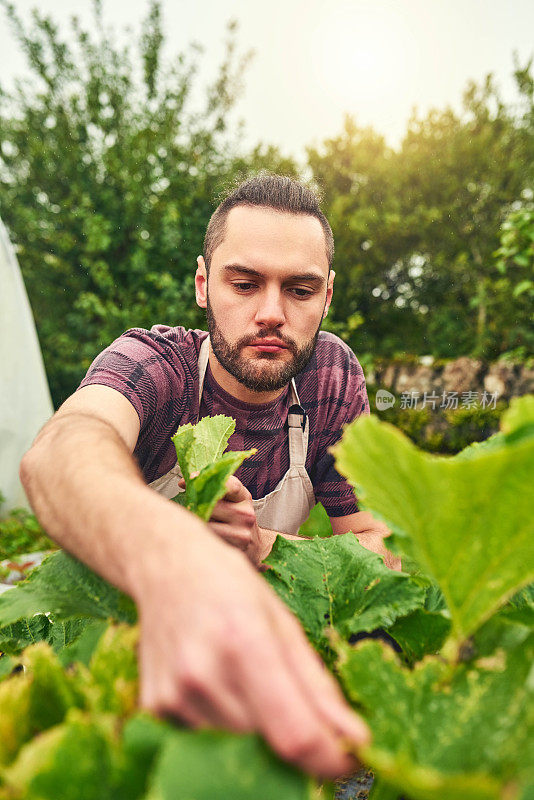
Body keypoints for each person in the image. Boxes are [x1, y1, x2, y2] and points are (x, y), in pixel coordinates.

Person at [20, 174, 399, 780]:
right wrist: (177, 552)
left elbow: (383, 554)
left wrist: (263, 546)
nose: (271, 313)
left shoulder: (329, 377)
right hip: (134, 649)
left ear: (327, 295)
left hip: (262, 645)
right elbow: (64, 449)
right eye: (244, 284)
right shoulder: (153, 364)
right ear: (203, 284)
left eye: (299, 290)